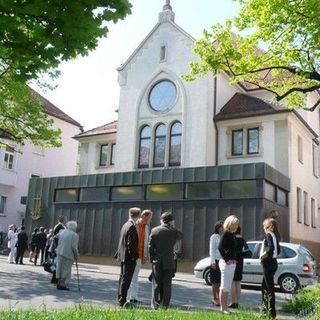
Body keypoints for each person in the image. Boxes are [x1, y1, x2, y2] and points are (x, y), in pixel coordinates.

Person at [149, 212, 183, 309]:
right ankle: (165, 305)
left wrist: (152, 259)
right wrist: (173, 226)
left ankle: (155, 305)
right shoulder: (173, 231)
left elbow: (150, 246)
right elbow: (181, 236)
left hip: (157, 260)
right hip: (169, 261)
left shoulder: (154, 230)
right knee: (167, 284)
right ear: (171, 221)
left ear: (161, 220)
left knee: (156, 283)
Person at [116, 207, 141, 307]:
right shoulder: (132, 227)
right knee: (126, 279)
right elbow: (131, 244)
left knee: (122, 278)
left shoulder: (125, 225)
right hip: (129, 257)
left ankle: (120, 298)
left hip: (123, 256)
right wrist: (134, 256)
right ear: (138, 216)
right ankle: (123, 300)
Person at [127, 209, 153, 304]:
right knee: (131, 276)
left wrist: (145, 255)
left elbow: (146, 242)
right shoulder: (135, 224)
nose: (150, 219)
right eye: (150, 217)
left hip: (140, 256)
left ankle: (133, 297)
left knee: (135, 276)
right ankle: (129, 297)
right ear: (145, 216)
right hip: (133, 255)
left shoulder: (146, 227)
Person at [218, 215, 239, 314]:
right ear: (231, 224)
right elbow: (220, 247)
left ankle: (225, 307)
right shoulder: (226, 233)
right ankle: (223, 308)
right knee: (224, 286)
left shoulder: (232, 234)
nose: (237, 226)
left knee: (227, 285)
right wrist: (227, 259)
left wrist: (234, 259)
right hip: (226, 263)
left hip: (232, 263)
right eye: (235, 224)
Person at [260, 217, 280, 319]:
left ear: (268, 226)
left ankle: (271, 313)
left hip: (267, 263)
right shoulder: (275, 235)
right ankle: (265, 310)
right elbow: (278, 250)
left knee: (268, 288)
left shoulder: (268, 234)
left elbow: (270, 248)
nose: (263, 227)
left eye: (264, 225)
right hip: (274, 262)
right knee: (264, 287)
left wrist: (263, 256)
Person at [55, 220, 79, 290]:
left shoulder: (61, 231)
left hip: (59, 252)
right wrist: (76, 256)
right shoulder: (74, 235)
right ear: (74, 227)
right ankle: (62, 284)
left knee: (59, 267)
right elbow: (74, 247)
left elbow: (55, 237)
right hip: (68, 254)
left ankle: (58, 283)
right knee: (66, 269)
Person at [229, 226, 248, 309]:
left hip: (233, 261)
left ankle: (233, 301)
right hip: (240, 261)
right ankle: (237, 301)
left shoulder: (232, 239)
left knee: (232, 282)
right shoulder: (243, 240)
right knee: (238, 282)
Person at [209, 220, 224, 306]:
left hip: (222, 260)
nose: (222, 229)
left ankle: (220, 297)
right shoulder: (214, 237)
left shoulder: (223, 236)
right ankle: (215, 298)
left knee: (220, 281)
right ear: (217, 228)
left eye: (223, 227)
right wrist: (213, 262)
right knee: (215, 282)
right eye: (221, 227)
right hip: (215, 260)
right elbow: (212, 250)